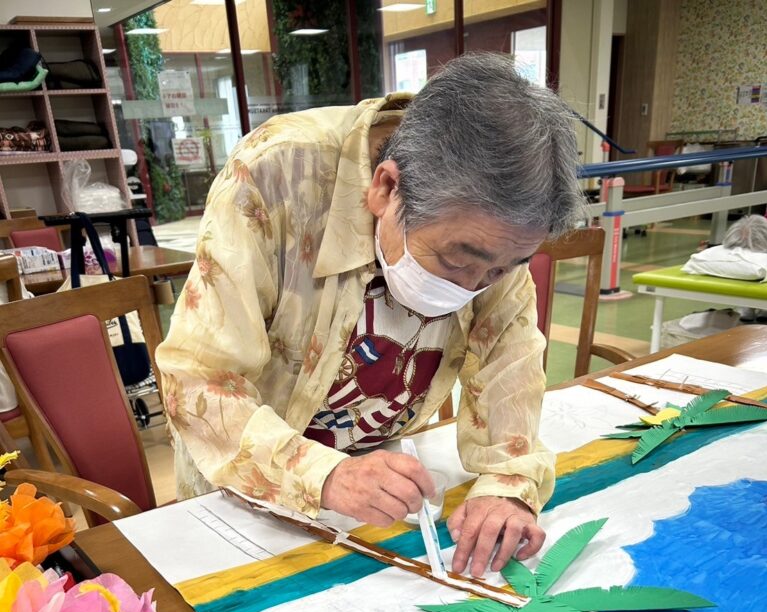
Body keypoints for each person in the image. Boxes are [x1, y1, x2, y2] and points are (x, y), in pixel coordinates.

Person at [156, 53, 584, 577]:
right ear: (385, 189)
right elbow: (198, 379)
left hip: (379, 482)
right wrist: (324, 475)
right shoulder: (277, 173)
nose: (470, 288)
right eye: (455, 262)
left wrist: (509, 486)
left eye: (500, 270)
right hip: (249, 485)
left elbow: (509, 359)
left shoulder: (497, 227)